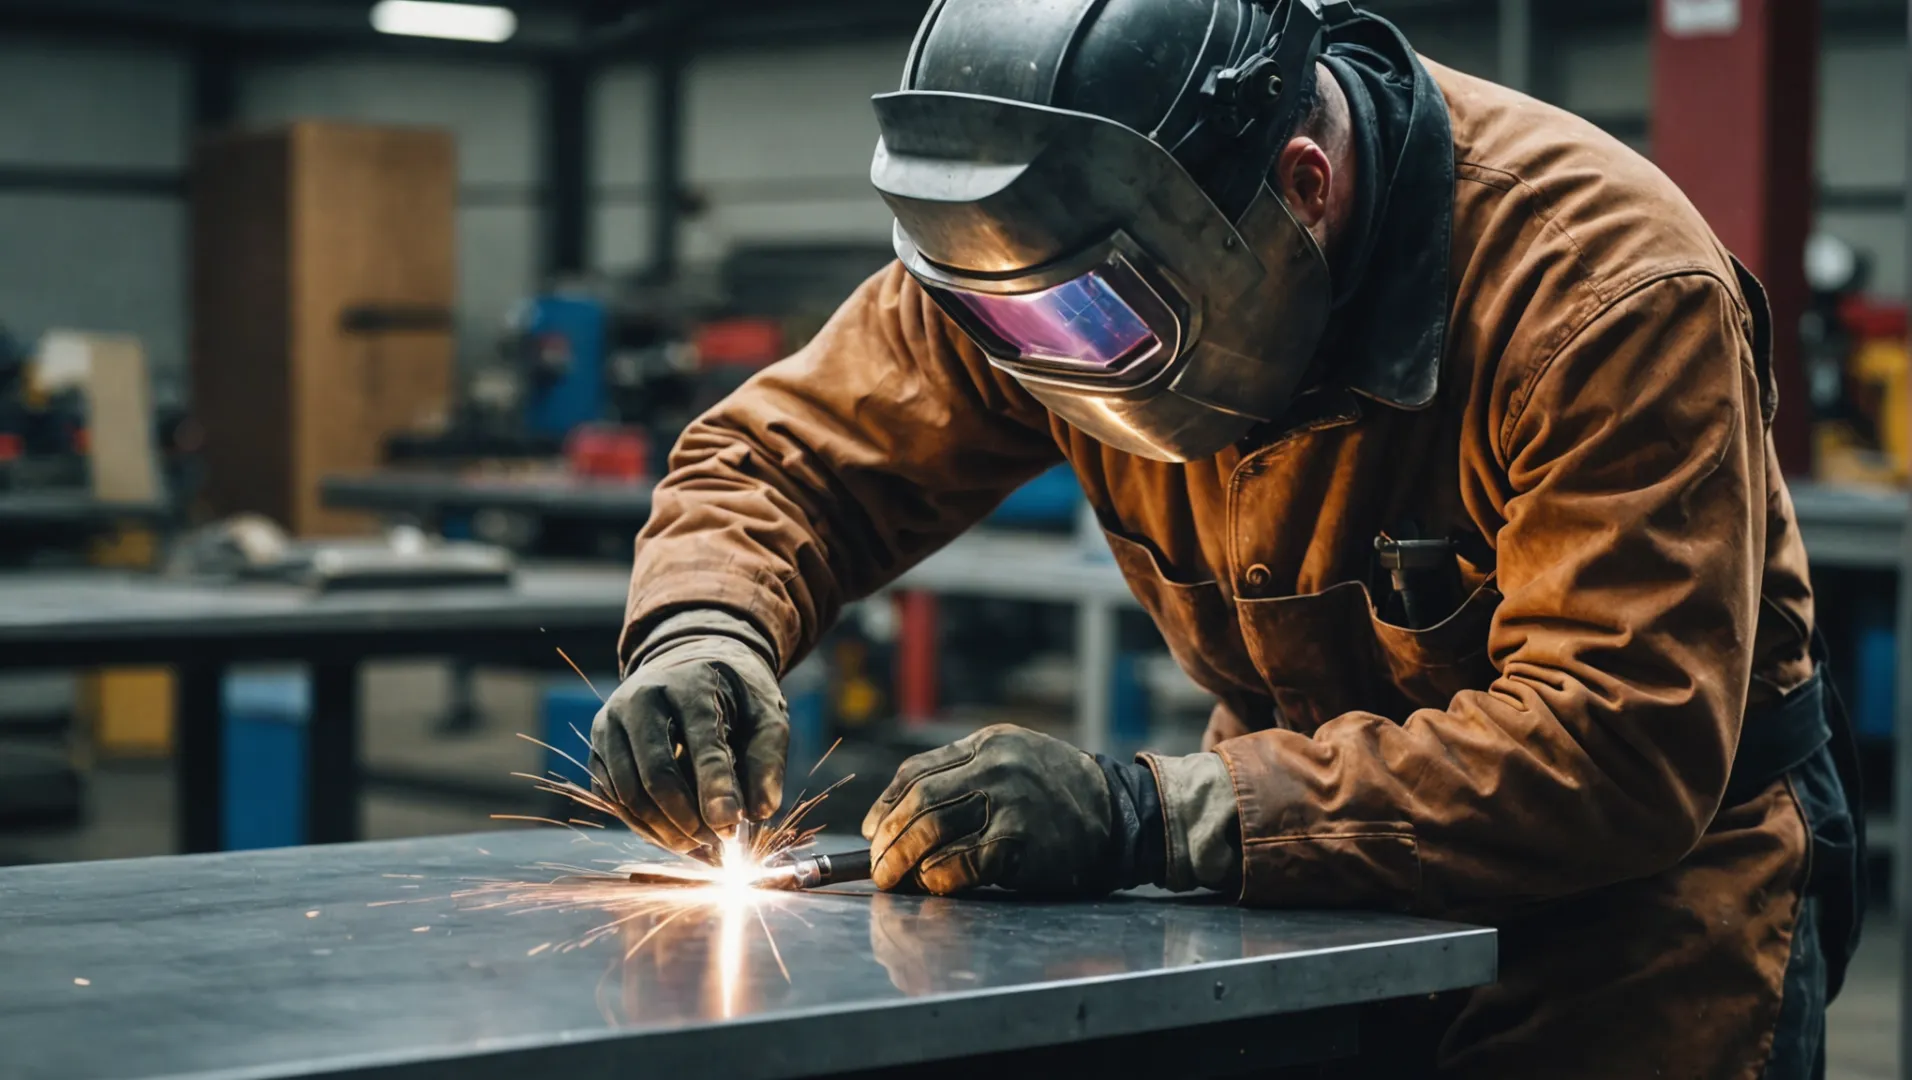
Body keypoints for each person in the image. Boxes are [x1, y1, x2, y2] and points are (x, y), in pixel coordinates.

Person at [590, 1, 1862, 1074]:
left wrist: (1152, 815)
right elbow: (789, 455)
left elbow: (1616, 744)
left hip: (1633, 920)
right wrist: (705, 626)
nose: (1060, 363)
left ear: (1304, 190)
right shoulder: (1034, 259)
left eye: (1106, 323)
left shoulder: (1600, 292)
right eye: (1015, 327)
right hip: (1288, 874)